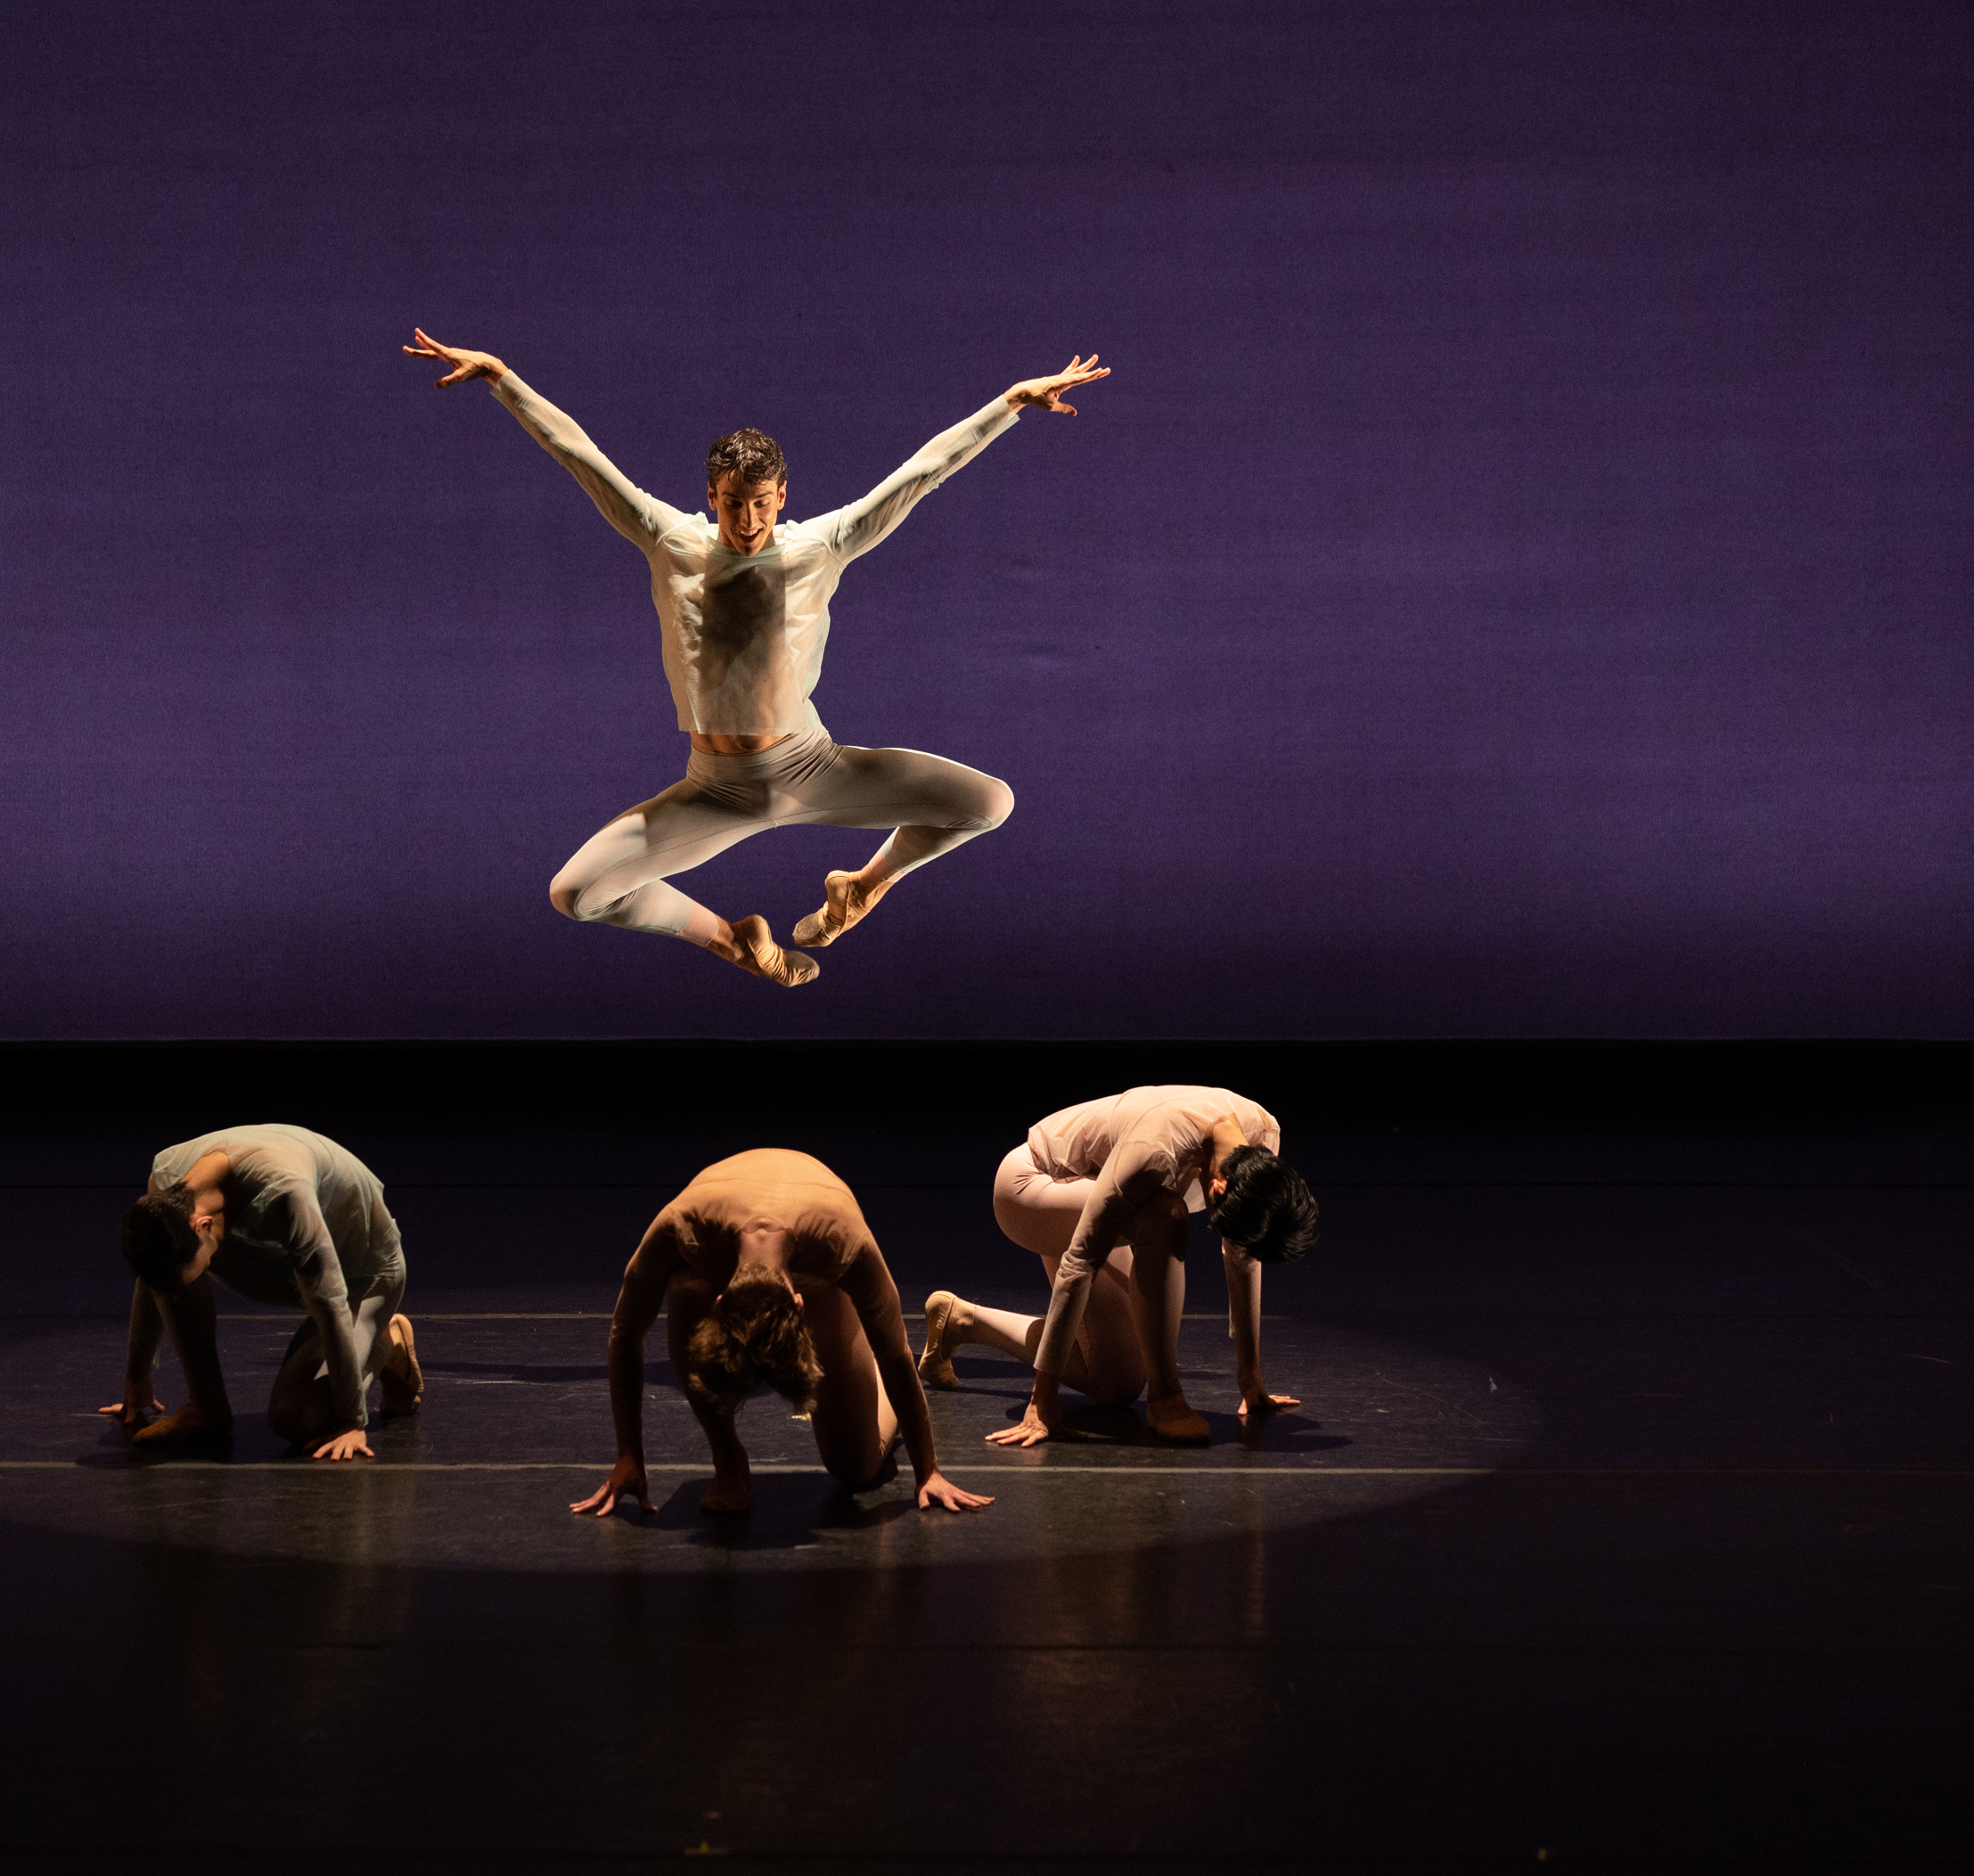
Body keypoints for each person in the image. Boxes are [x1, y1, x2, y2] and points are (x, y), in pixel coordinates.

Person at [404, 327, 1107, 987]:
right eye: (735, 503)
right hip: (717, 790)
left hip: (813, 768)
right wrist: (502, 379)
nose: (748, 521)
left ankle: (862, 888)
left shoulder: (820, 545)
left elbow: (921, 474)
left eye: (763, 503)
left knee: (988, 803)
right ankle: (733, 942)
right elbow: (580, 457)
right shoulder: (668, 538)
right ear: (712, 494)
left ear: (782, 495)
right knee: (576, 894)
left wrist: (1012, 403)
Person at [570, 1147, 993, 1518]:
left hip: (820, 1265)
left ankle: (873, 1387)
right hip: (725, 1237)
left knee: (856, 1469)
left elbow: (896, 1354)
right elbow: (625, 1333)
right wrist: (628, 1456)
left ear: (799, 1306)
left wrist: (927, 1471)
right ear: (721, 1300)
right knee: (685, 1288)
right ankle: (729, 1463)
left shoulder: (846, 1246)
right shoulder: (680, 1229)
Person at [917, 1086, 1317, 1446]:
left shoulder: (1261, 1139)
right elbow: (1080, 1262)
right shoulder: (1157, 1150)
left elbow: (1242, 1256)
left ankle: (962, 1322)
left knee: (1116, 1384)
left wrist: (1250, 1378)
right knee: (1166, 1216)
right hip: (1033, 1185)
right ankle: (1166, 1398)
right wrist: (1042, 1401)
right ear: (1218, 1188)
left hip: (1106, 1195)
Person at [101, 1124, 422, 1460]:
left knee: (295, 1418)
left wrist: (351, 1420)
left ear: (202, 1225)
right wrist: (137, 1377)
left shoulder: (285, 1192)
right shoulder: (166, 1186)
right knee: (172, 1274)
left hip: (362, 1275)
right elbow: (154, 1276)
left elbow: (331, 1304)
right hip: (281, 1262)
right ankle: (207, 1406)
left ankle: (385, 1341)